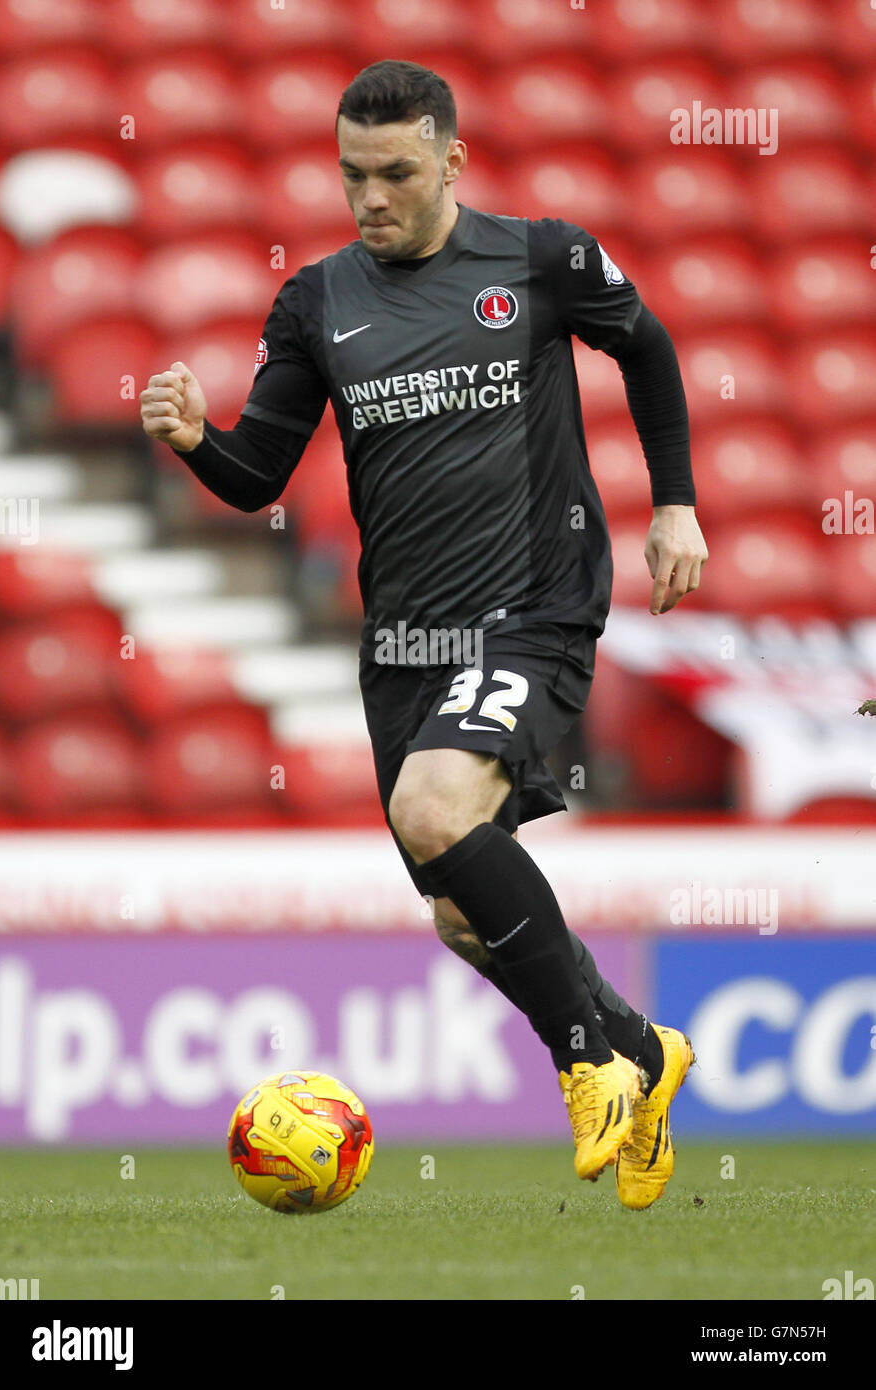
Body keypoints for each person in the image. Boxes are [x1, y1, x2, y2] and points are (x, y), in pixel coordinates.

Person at [140, 58, 707, 1207]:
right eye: (351, 175)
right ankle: (641, 1046)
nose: (370, 199)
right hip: (403, 644)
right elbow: (259, 478)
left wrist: (678, 503)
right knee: (461, 911)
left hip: (537, 606)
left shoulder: (541, 259)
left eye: (395, 173)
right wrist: (199, 439)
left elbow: (645, 346)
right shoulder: (316, 304)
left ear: (451, 161)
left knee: (432, 811)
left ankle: (585, 1063)